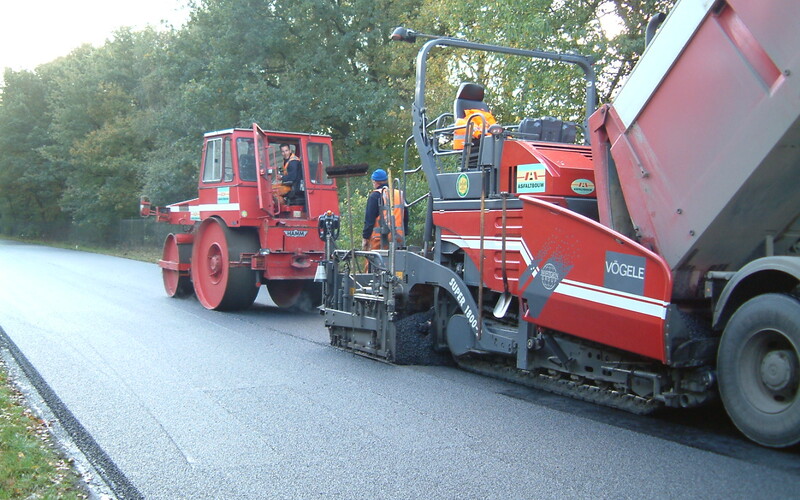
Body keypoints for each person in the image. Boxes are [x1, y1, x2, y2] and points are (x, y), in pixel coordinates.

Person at [362, 168, 409, 250]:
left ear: (375, 182)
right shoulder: (399, 194)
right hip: (398, 239)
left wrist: (365, 238)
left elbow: (369, 220)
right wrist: (405, 233)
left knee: (372, 261)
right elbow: (405, 216)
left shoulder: (375, 196)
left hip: (378, 241)